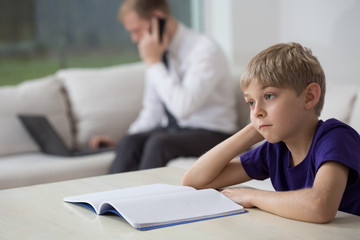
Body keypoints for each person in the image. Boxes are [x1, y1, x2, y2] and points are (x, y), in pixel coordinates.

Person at [182, 42, 360, 223]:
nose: (257, 111)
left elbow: (320, 207)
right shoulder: (275, 150)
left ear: (309, 96)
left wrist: (253, 196)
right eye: (251, 102)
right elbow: (194, 181)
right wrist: (253, 130)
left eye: (268, 96)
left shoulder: (336, 137)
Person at [90, 0, 237, 173]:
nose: (135, 39)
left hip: (214, 132)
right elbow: (152, 112)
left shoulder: (204, 50)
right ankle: (109, 199)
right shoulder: (157, 54)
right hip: (176, 132)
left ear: (157, 18)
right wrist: (127, 137)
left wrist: (153, 63)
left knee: (159, 143)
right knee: (129, 143)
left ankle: (141, 200)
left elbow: (183, 108)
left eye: (137, 30)